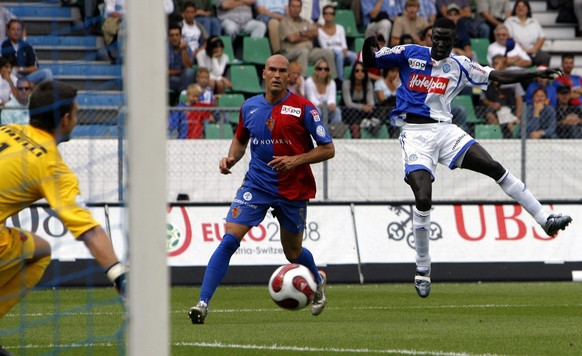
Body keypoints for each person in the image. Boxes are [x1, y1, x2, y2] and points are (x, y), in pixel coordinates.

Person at [361, 18, 572, 299]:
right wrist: (366, 44)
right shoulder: (409, 53)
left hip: (446, 131)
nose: (440, 42)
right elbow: (371, 60)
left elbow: (497, 76)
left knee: (494, 167)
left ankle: (544, 218)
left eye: (446, 39)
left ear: (453, 40)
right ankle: (422, 267)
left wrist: (534, 73)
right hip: (415, 135)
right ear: (431, 36)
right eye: (436, 37)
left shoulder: (460, 65)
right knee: (423, 197)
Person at [187, 54, 334, 324]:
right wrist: (231, 158)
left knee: (293, 253)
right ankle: (202, 303)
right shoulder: (250, 107)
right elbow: (240, 141)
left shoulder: (304, 108)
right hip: (257, 184)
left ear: (289, 76)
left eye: (283, 71)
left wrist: (295, 160)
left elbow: (328, 149)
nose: (277, 75)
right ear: (263, 74)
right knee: (230, 237)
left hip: (293, 188)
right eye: (272, 70)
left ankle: (317, 280)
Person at [0, 80, 127, 320]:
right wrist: (119, 275)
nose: (77, 120)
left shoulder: (7, 130)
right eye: (76, 114)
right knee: (41, 252)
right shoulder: (52, 166)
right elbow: (87, 230)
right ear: (65, 119)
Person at [279, 0, 336, 79]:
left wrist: (300, 34)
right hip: (290, 52)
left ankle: (333, 80)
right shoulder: (284, 22)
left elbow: (315, 33)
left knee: (328, 52)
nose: (296, 9)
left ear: (301, 8)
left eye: (298, 6)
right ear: (288, 8)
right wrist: (307, 35)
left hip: (309, 51)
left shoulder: (305, 22)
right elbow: (292, 39)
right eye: (293, 6)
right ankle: (302, 80)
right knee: (304, 51)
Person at [480, 55, 524, 138]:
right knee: (490, 116)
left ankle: (514, 140)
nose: (497, 66)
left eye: (500, 63)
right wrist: (491, 104)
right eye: (495, 63)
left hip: (511, 111)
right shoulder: (486, 81)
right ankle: (498, 137)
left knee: (509, 120)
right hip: (494, 110)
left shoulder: (513, 81)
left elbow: (519, 99)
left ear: (504, 65)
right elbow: (483, 99)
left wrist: (518, 116)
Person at [0, 19, 53, 86]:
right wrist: (14, 72)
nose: (16, 32)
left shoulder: (28, 46)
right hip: (10, 77)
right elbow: (3, 67)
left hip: (27, 77)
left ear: (22, 32)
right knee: (12, 71)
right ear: (8, 31)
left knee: (47, 73)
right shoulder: (2, 46)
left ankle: (44, 95)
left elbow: (34, 68)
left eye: (18, 29)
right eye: (13, 29)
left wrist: (20, 69)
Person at [503, 0, 550, 66]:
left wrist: (534, 49)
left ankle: (542, 76)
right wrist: (521, 49)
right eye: (518, 6)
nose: (521, 8)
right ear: (515, 9)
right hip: (516, 51)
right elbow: (508, 37)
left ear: (528, 9)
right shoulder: (509, 21)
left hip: (533, 51)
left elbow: (542, 37)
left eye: (523, 6)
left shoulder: (534, 21)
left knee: (545, 57)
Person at [318, 5, 357, 81]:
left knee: (354, 56)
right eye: (326, 13)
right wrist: (340, 52)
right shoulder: (319, 31)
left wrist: (344, 49)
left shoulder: (340, 28)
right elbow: (324, 48)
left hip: (342, 52)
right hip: (331, 54)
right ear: (323, 15)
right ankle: (340, 80)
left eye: (331, 13)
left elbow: (344, 44)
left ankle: (352, 78)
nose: (328, 15)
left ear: (334, 16)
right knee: (340, 56)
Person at [342, 61, 378, 138]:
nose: (360, 73)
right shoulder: (346, 84)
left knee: (375, 110)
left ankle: (367, 124)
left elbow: (370, 101)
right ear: (353, 72)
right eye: (357, 70)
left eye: (362, 71)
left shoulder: (368, 84)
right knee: (353, 112)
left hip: (363, 111)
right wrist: (362, 107)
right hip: (349, 111)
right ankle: (357, 131)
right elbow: (348, 103)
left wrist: (369, 106)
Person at [304, 58, 341, 125]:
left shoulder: (332, 82)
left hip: (327, 108)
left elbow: (332, 98)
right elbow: (311, 99)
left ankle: (335, 133)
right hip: (313, 108)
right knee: (317, 111)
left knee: (337, 111)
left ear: (328, 71)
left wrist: (331, 105)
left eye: (325, 69)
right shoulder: (309, 81)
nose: (323, 71)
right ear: (316, 70)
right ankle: (317, 133)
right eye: (320, 69)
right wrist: (322, 105)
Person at [168, 23, 195, 105]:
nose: (174, 38)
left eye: (176, 35)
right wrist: (180, 71)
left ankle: (180, 100)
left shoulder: (186, 47)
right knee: (182, 79)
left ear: (180, 36)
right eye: (172, 35)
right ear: (168, 37)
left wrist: (183, 51)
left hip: (184, 78)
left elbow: (188, 67)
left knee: (189, 73)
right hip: (169, 80)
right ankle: (181, 101)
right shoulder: (163, 48)